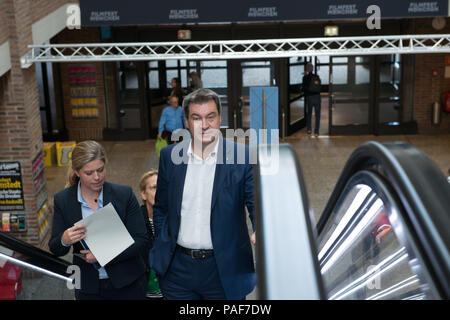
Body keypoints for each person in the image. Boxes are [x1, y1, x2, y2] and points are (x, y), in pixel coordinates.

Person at [150, 88, 256, 300]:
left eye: (210, 117)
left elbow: (257, 206)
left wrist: (259, 229)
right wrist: (164, 242)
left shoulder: (242, 157)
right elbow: (161, 207)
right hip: (177, 271)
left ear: (220, 118)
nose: (205, 125)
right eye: (196, 118)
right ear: (186, 121)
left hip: (223, 270)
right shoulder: (170, 156)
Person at [48, 140, 148, 300]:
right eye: (89, 173)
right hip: (89, 287)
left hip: (128, 283)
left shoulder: (124, 195)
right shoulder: (64, 200)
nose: (97, 177)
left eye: (100, 170)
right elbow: (55, 247)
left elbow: (141, 240)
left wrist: (102, 255)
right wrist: (65, 239)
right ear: (76, 171)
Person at [139, 170, 163, 299]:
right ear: (143, 194)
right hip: (143, 293)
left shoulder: (176, 218)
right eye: (154, 187)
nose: (159, 191)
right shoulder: (134, 221)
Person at [302, 62, 322, 137]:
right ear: (312, 69)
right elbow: (320, 87)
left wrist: (304, 76)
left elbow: (303, 88)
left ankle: (309, 129)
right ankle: (316, 131)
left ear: (307, 69)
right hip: (317, 97)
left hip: (309, 97)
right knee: (317, 115)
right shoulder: (317, 76)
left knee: (309, 114)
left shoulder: (305, 77)